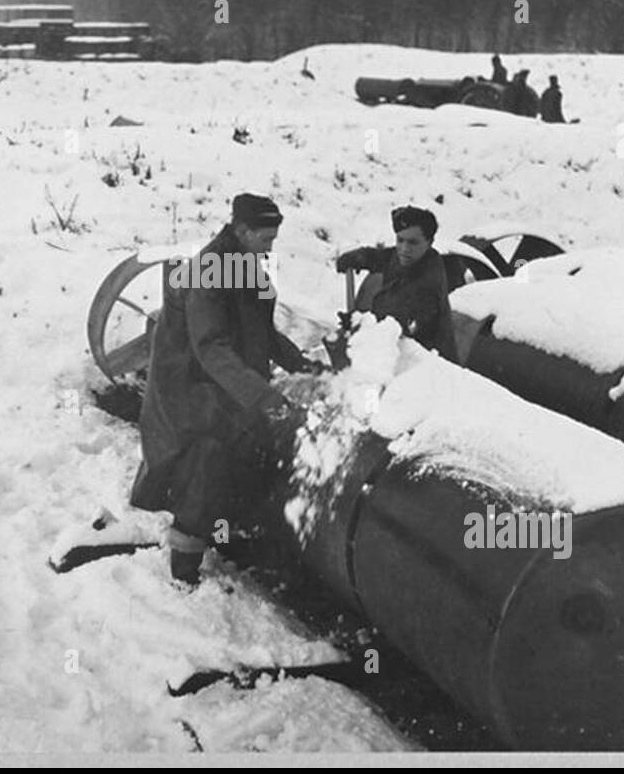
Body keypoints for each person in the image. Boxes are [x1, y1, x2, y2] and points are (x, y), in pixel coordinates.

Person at [130, 193, 321, 587]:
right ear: (243, 231)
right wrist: (262, 396)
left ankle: (224, 533)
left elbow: (264, 332)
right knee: (206, 466)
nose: (270, 247)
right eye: (265, 238)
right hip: (192, 388)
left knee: (240, 457)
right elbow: (212, 348)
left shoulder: (245, 265)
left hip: (227, 382)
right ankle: (184, 570)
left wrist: (304, 366)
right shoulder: (208, 273)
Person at [334, 206, 458, 363]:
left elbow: (393, 327)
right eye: (400, 240)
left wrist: (359, 323)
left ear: (429, 242)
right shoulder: (410, 256)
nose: (404, 249)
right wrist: (358, 257)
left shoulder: (427, 286)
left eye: (413, 242)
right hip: (393, 357)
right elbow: (381, 257)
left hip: (424, 365)